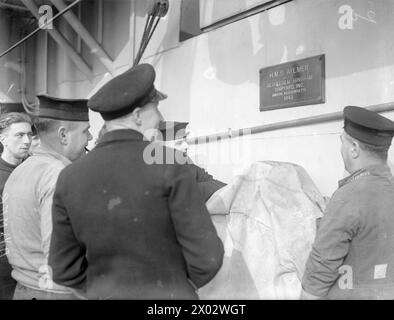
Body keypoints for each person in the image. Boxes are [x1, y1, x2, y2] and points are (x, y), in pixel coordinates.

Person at [48, 63, 224, 300]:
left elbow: (63, 269)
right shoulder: (170, 164)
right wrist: (179, 285)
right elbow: (208, 258)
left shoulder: (69, 176)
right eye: (156, 109)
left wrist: (104, 290)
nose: (160, 117)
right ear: (138, 115)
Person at [3, 95, 92, 300]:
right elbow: (58, 253)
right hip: (55, 292)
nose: (89, 137)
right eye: (85, 131)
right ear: (63, 135)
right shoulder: (57, 174)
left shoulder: (21, 170)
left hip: (25, 288)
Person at [301, 105, 394, 300]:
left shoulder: (348, 197)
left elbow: (319, 276)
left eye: (341, 141)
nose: (340, 148)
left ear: (354, 148)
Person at [0, 110, 33, 300]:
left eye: (29, 134)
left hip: (35, 260)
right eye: (19, 135)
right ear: (3, 139)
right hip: (5, 262)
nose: (27, 141)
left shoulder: (37, 167)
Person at [157, 120, 227, 202]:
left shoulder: (186, 164)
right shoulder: (155, 172)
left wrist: (189, 189)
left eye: (185, 141)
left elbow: (220, 186)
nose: (186, 146)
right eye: (179, 143)